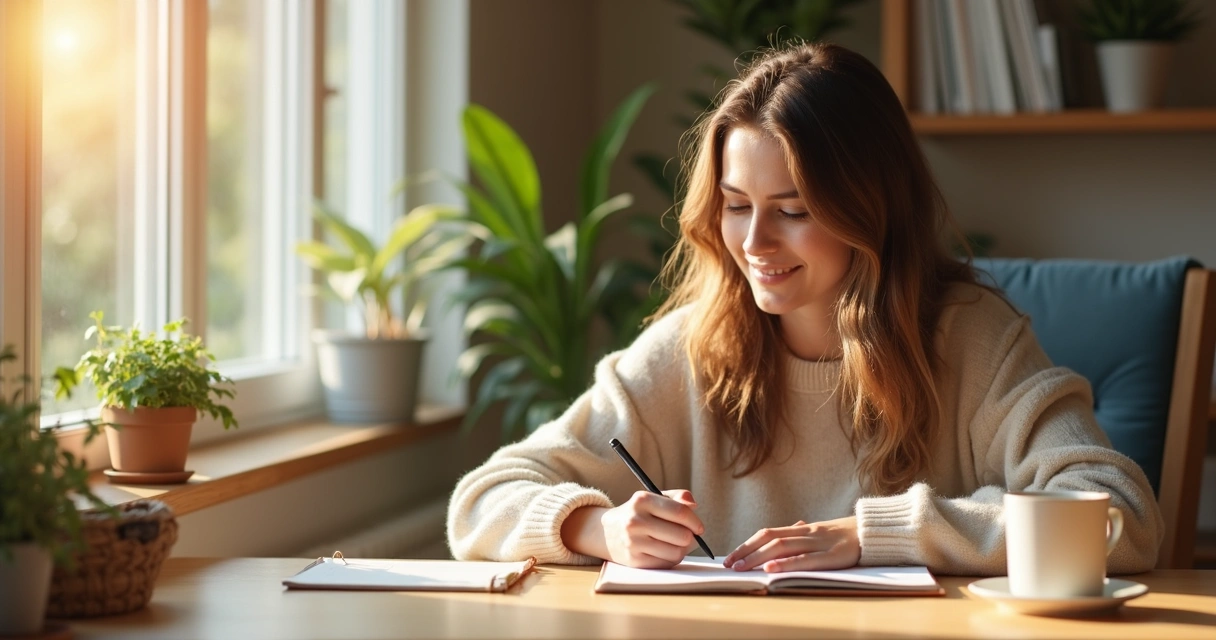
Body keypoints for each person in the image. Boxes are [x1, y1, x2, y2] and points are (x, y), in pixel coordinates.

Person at [446, 42, 1162, 575]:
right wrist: (597, 529)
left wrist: (872, 536)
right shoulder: (690, 347)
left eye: (792, 211)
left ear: (868, 210)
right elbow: (480, 501)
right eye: (735, 206)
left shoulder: (972, 338)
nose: (754, 242)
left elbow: (1119, 516)